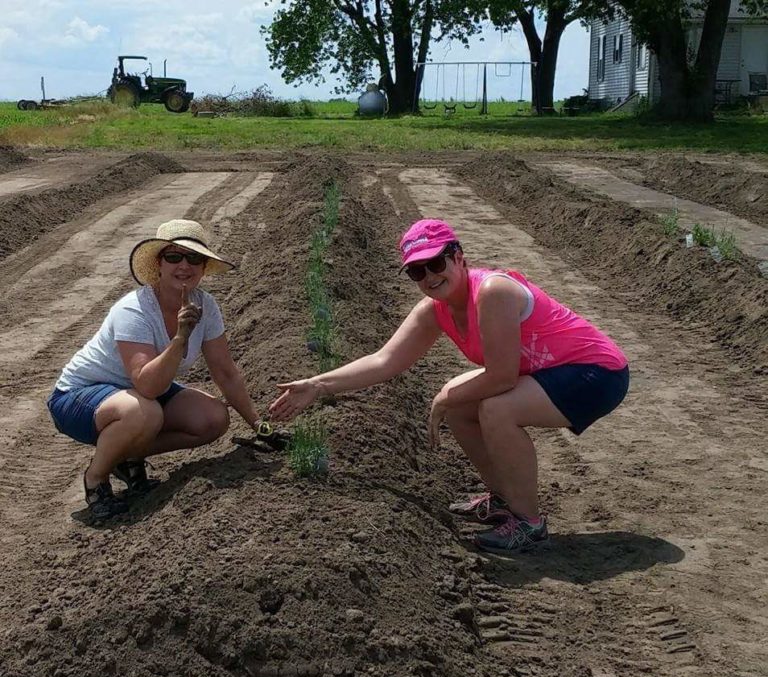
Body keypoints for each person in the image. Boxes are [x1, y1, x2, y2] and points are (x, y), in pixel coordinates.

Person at [270, 219, 629, 555]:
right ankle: (503, 499)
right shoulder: (434, 310)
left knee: (494, 408)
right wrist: (317, 385)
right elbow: (385, 360)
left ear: (459, 258)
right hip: (552, 371)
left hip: (596, 373)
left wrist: (444, 397)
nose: (428, 276)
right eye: (416, 271)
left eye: (436, 263)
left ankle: (529, 524)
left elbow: (502, 378)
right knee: (462, 405)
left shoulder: (493, 291)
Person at [47, 219, 262, 519]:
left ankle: (128, 456)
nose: (184, 265)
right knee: (145, 413)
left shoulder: (206, 306)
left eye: (194, 258)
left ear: (203, 267)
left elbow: (225, 371)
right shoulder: (133, 310)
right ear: (159, 263)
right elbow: (146, 385)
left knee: (213, 418)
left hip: (139, 393)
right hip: (80, 395)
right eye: (174, 256)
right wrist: (180, 338)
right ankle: (96, 479)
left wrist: (259, 426)